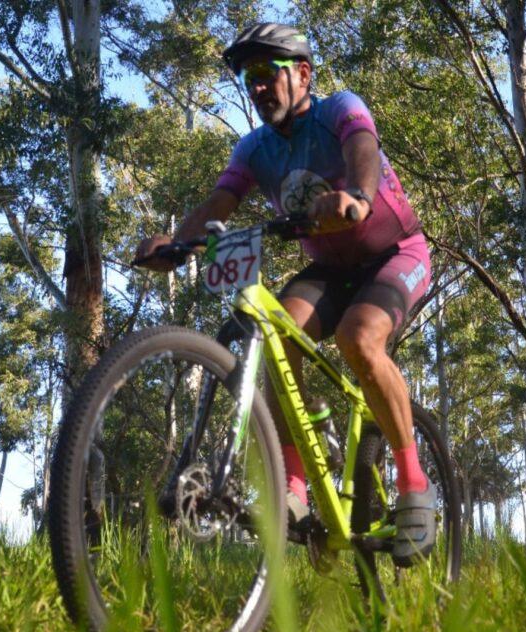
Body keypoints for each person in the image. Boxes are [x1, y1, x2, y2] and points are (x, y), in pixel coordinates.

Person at [134, 23, 436, 566]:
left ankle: (415, 482)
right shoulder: (254, 148)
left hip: (395, 254)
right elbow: (218, 204)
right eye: (248, 78)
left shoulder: (338, 109)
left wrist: (358, 196)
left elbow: (362, 148)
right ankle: (295, 485)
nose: (256, 87)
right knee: (273, 338)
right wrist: (177, 243)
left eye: (265, 74)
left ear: (301, 75)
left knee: (359, 338)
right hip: (330, 271)